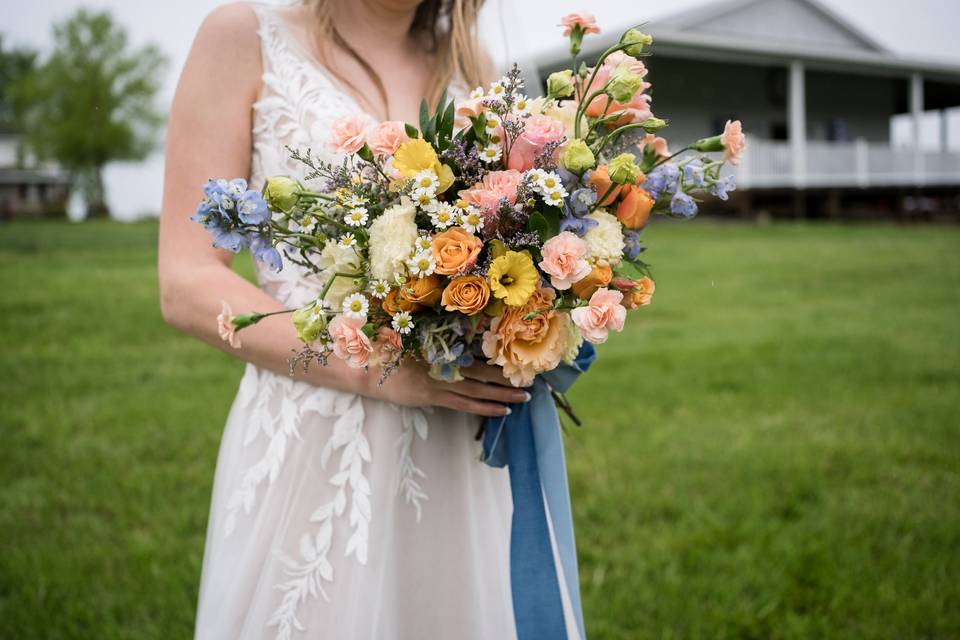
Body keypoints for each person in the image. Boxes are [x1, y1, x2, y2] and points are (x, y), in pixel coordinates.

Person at [156, 1, 583, 638]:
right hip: (315, 441)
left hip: (457, 441)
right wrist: (373, 367)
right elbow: (185, 282)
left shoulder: (475, 64)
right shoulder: (243, 38)